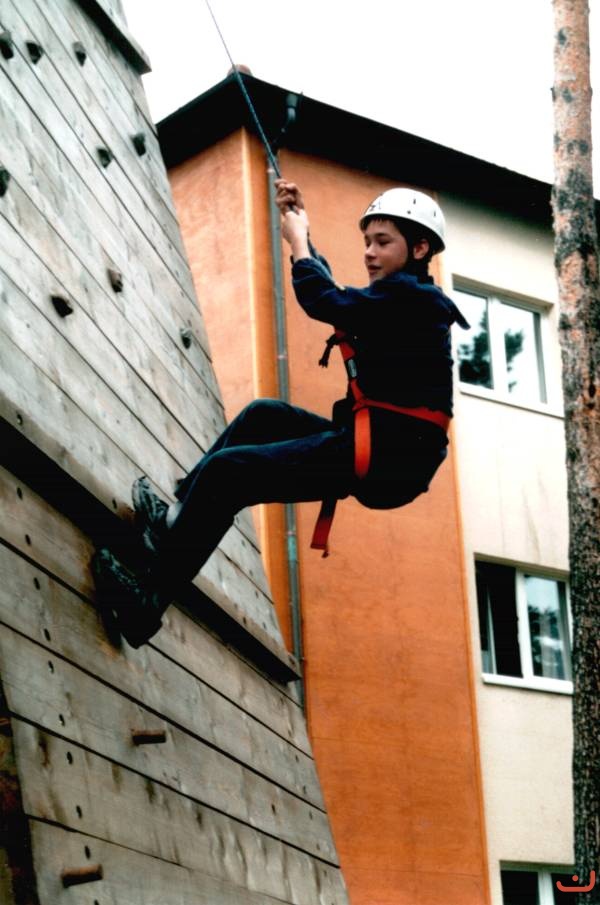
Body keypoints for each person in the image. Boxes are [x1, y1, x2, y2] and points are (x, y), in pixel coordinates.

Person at [115, 180, 468, 647]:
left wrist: (299, 241)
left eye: (383, 242)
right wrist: (302, 230)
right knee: (264, 415)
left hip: (385, 458)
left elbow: (324, 300)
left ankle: (147, 603)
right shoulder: (398, 300)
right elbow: (336, 297)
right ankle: (176, 520)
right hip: (378, 446)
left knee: (228, 474)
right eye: (367, 241)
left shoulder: (415, 300)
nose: (369, 252)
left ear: (420, 248)